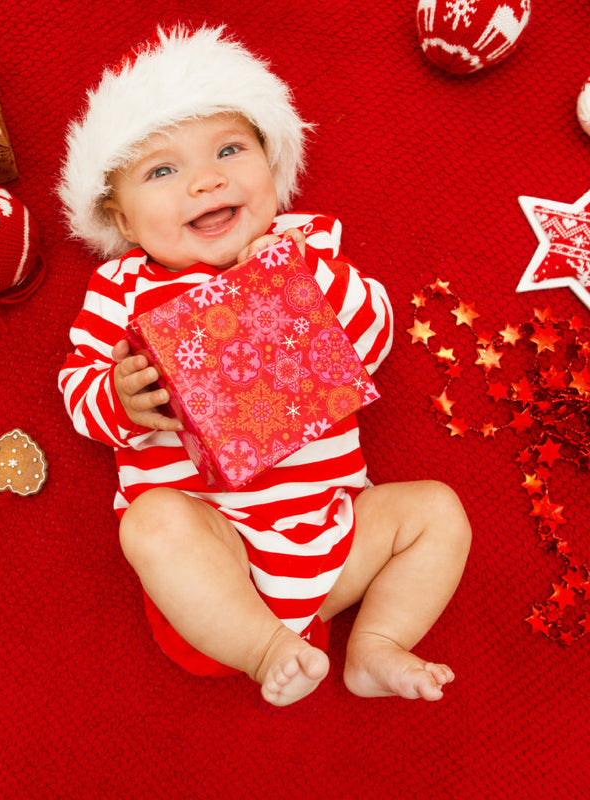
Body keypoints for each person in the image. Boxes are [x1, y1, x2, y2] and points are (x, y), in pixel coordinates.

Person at [57, 26, 471, 707]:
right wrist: (119, 398)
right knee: (150, 522)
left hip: (332, 539)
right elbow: (77, 390)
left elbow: (375, 336)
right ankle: (264, 647)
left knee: (437, 513)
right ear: (123, 221)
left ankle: (376, 645)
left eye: (229, 149)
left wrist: (307, 280)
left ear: (272, 167)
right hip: (213, 558)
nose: (207, 179)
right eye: (162, 171)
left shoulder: (305, 248)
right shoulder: (124, 289)